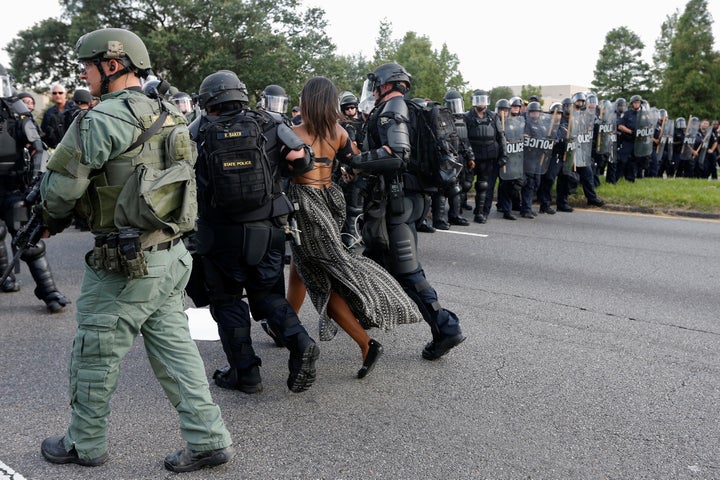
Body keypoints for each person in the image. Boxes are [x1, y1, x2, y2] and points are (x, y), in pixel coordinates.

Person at [38, 28, 234, 473]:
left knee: (94, 353)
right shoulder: (167, 111)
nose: (83, 77)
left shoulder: (101, 118)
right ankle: (208, 439)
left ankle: (83, 444)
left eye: (87, 67)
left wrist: (48, 219)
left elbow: (58, 195)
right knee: (175, 350)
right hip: (170, 255)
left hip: (126, 264)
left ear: (112, 65)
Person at [189, 69, 320, 394]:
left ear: (208, 101)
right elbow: (301, 159)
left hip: (219, 235)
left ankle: (245, 373)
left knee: (228, 301)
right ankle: (300, 342)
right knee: (269, 296)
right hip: (269, 229)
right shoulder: (269, 122)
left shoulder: (198, 129)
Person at [285, 76, 422, 377]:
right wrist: (346, 171)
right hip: (330, 200)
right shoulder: (339, 132)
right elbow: (356, 163)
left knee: (320, 282)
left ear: (307, 102)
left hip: (305, 206)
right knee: (301, 267)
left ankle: (366, 342)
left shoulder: (292, 133)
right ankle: (285, 325)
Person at [350, 62, 465, 360]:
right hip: (404, 200)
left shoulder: (392, 110)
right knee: (374, 260)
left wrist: (355, 160)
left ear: (386, 84)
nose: (372, 91)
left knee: (409, 272)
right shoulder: (406, 108)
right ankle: (365, 314)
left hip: (398, 202)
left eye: (375, 85)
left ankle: (446, 327)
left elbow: (396, 155)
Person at [0, 65, 70, 312]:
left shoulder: (17, 113)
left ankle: (49, 290)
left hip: (14, 187)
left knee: (27, 241)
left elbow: (37, 148)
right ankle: (5, 280)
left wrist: (35, 179)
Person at [464, 90, 507, 224]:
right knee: (465, 184)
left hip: (489, 156)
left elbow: (501, 136)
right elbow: (464, 138)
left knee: (483, 186)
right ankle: (456, 210)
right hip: (472, 156)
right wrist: (469, 155)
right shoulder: (467, 116)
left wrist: (504, 155)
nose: (481, 103)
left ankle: (480, 213)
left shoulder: (493, 116)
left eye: (483, 100)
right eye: (478, 100)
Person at [40, 83, 76, 149]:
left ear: (65, 94)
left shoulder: (74, 109)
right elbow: (43, 132)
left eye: (60, 93)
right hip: (54, 149)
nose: (57, 95)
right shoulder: (48, 113)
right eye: (54, 93)